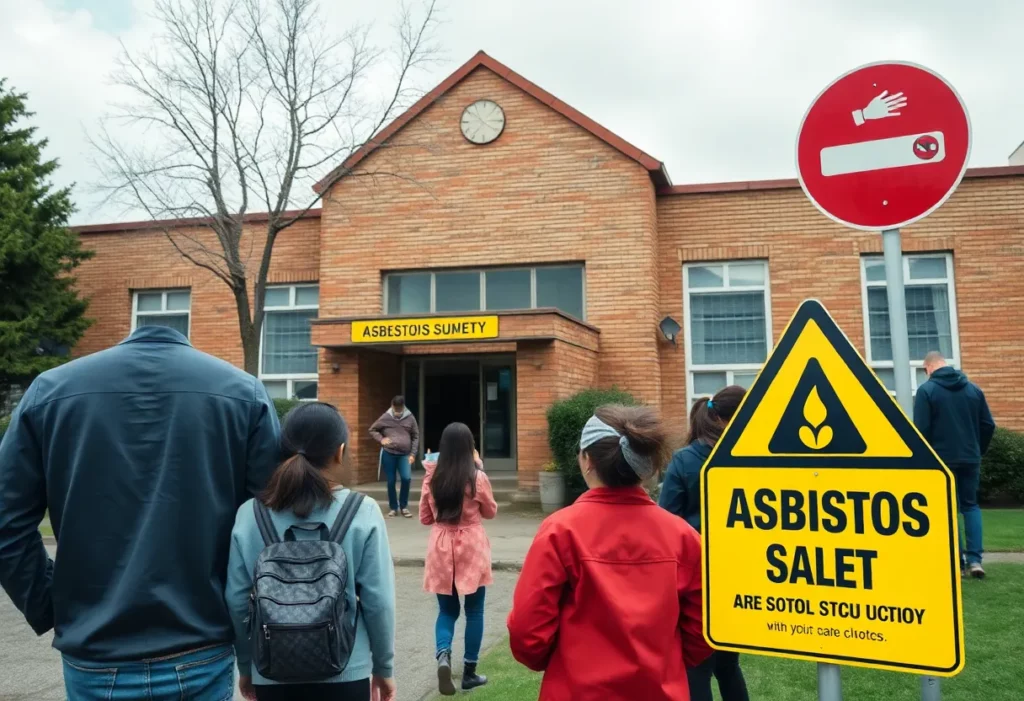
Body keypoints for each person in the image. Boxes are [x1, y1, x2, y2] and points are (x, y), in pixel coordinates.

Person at [0, 325, 281, 701]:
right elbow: (269, 524)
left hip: (95, 646)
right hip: (201, 641)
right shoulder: (244, 392)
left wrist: (49, 604)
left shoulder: (49, 390)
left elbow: (6, 521)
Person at [507, 404, 712, 700]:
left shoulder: (559, 531)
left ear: (586, 459)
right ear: (646, 464)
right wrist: (666, 661)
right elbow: (703, 628)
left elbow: (528, 631)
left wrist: (560, 661)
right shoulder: (684, 537)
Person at [226, 402, 397, 701]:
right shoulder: (363, 512)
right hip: (346, 671)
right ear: (339, 452)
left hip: (271, 673)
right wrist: (383, 667)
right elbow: (379, 601)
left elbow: (237, 601)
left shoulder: (250, 515)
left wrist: (247, 667)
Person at [659, 386, 750, 701]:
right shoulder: (749, 454)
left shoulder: (686, 459)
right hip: (739, 574)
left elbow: (666, 520)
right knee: (728, 666)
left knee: (697, 667)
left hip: (696, 578)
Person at [419, 422, 497, 696]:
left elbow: (425, 517)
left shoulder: (432, 477)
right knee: (474, 611)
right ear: (469, 448)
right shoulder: (477, 478)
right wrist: (480, 467)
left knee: (447, 611)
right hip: (471, 547)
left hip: (441, 546)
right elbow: (490, 512)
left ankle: (443, 655)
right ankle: (470, 673)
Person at [914, 351, 996, 579]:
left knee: (947, 509)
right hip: (970, 457)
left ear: (928, 368)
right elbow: (988, 425)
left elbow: (921, 430)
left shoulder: (927, 391)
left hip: (940, 460)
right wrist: (978, 450)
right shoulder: (973, 390)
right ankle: (975, 561)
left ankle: (956, 562)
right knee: (970, 506)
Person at [370, 395, 420, 518]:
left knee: (406, 478)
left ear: (403, 407)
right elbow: (372, 429)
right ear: (392, 406)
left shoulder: (410, 417)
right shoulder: (386, 417)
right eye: (396, 409)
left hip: (405, 454)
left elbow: (415, 436)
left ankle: (404, 506)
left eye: (400, 409)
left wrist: (413, 454)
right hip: (389, 453)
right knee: (391, 481)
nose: (398, 412)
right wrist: (381, 439)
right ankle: (393, 507)